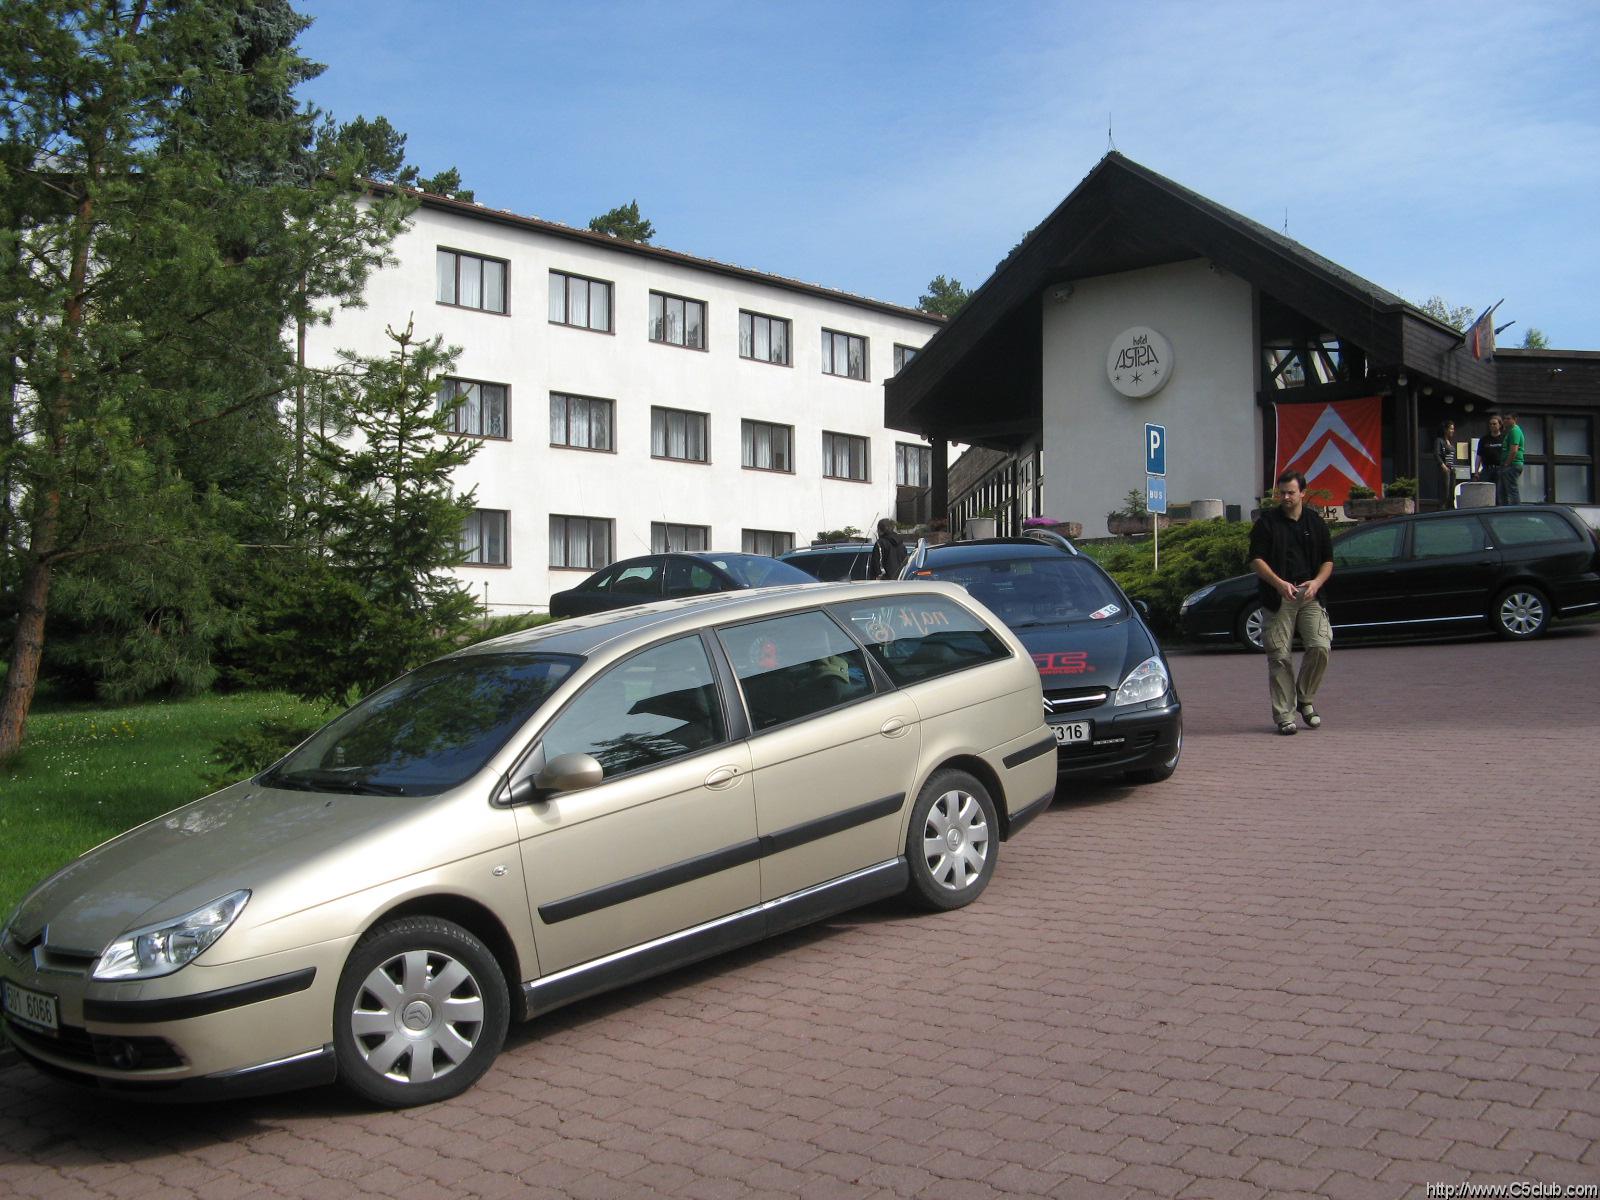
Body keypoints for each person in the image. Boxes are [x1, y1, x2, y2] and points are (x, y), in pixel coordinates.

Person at [1248, 470, 1334, 736]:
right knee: (1279, 656)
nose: (1285, 497)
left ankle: (1304, 699)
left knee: (1320, 646)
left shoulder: (1315, 522)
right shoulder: (1266, 523)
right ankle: (1285, 716)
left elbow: (1328, 561)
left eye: (1291, 493)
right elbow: (1256, 560)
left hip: (1309, 595)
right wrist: (1278, 583)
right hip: (1278, 597)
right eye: (1281, 493)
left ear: (1302, 493)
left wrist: (1316, 583)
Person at [1499, 412, 1525, 505]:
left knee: (1511, 490)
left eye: (1508, 418)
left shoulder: (1515, 431)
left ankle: (1515, 509)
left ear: (1515, 419)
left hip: (1512, 464)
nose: (1505, 421)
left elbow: (1514, 450)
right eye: (1504, 418)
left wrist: (1507, 464)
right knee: (1503, 491)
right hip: (1510, 465)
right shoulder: (1510, 431)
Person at [1475, 414, 1503, 487]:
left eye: (1494, 424)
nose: (1492, 426)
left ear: (1500, 425)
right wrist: (1476, 471)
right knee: (1485, 490)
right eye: (1490, 424)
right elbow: (1479, 456)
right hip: (1486, 470)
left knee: (1499, 491)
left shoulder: (1504, 439)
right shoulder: (1484, 439)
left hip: (1500, 469)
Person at [1434, 420, 1457, 509]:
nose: (1452, 431)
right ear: (1445, 430)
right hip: (1445, 469)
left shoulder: (1451, 442)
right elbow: (1436, 454)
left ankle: (1450, 509)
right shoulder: (1439, 440)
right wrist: (1443, 466)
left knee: (1452, 492)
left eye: (1453, 429)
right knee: (1445, 492)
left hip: (1452, 469)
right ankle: (1442, 510)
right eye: (1451, 429)